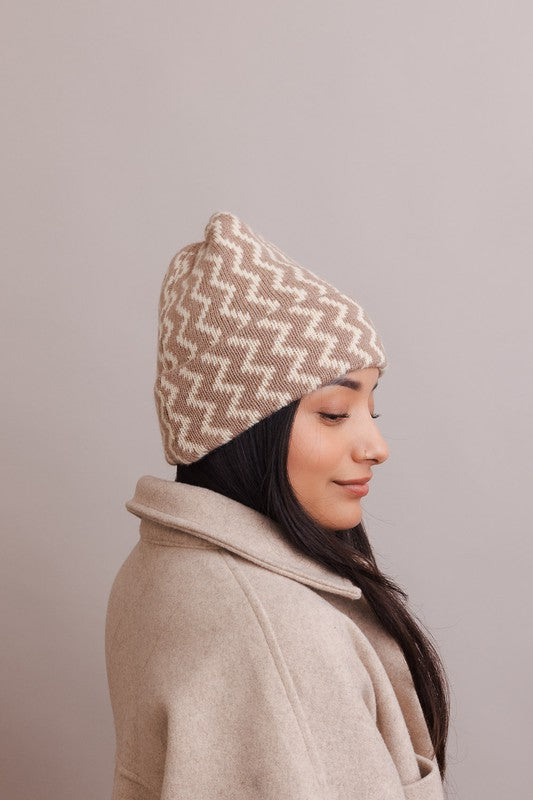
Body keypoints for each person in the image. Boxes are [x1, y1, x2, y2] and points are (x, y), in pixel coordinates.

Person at [105, 211, 450, 799]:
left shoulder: (159, 569)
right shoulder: (280, 636)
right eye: (335, 413)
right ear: (242, 431)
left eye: (373, 410)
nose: (377, 447)